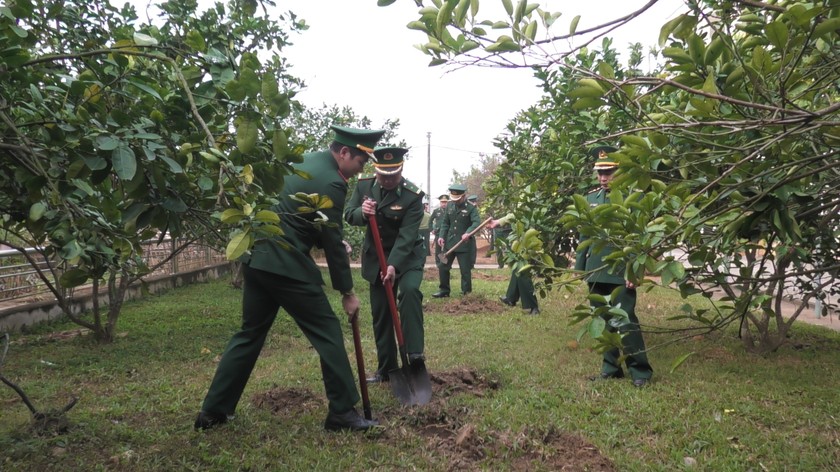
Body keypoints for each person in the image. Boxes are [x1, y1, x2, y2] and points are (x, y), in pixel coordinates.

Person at [194, 125, 385, 432]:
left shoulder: (303, 160)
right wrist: (347, 291)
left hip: (256, 255)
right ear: (345, 153)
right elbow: (332, 239)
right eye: (361, 163)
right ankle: (341, 413)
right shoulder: (333, 181)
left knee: (249, 333)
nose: (360, 169)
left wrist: (324, 239)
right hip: (286, 265)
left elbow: (298, 215)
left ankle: (213, 412)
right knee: (327, 331)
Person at [344, 146, 427, 384]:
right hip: (375, 258)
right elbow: (349, 214)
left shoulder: (412, 196)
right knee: (381, 313)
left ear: (401, 169)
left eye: (394, 174)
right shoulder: (363, 186)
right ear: (375, 170)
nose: (389, 179)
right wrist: (362, 211)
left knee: (410, 292)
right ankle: (387, 369)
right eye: (383, 174)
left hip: (407, 257)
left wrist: (392, 266)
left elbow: (407, 236)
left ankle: (414, 355)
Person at [574, 145, 653, 388]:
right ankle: (611, 368)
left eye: (608, 172)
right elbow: (583, 234)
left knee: (626, 320)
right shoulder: (590, 199)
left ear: (619, 172)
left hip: (621, 271)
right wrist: (581, 266)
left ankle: (640, 370)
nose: (603, 177)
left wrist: (635, 270)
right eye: (600, 173)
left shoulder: (633, 198)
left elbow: (640, 237)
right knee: (603, 318)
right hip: (596, 270)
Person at [433, 184, 480, 297]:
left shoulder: (471, 208)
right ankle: (444, 291)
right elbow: (445, 223)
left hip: (464, 245)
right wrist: (441, 236)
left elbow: (476, 223)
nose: (455, 201)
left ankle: (466, 292)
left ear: (463, 196)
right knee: (443, 266)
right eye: (453, 199)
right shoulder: (449, 206)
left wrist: (468, 232)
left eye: (457, 199)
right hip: (450, 243)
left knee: (465, 270)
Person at [489, 214, 540, 315]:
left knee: (522, 269)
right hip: (526, 232)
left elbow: (520, 213)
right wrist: (500, 221)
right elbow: (517, 213)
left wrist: (499, 221)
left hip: (533, 232)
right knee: (518, 266)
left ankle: (533, 306)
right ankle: (511, 298)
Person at [430, 194, 449, 272]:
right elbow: (430, 221)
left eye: (445, 202)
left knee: (446, 248)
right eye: (442, 202)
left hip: (448, 233)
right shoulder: (436, 211)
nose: (444, 204)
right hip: (438, 233)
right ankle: (438, 264)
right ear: (440, 203)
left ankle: (445, 263)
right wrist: (432, 229)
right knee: (438, 249)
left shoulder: (450, 211)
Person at [466, 195, 480, 266]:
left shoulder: (475, 209)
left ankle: (471, 264)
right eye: (473, 202)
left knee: (473, 250)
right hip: (464, 233)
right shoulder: (466, 209)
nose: (475, 204)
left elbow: (476, 222)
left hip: (471, 234)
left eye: (475, 202)